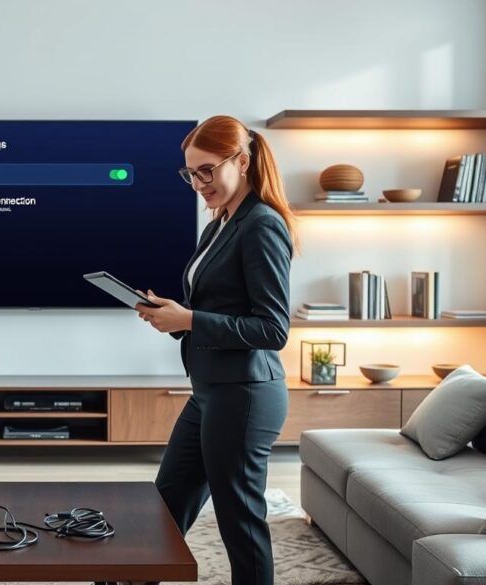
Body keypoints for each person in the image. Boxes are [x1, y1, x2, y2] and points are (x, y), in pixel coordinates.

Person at [135, 115, 296, 585]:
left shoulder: (262, 225)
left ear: (242, 162)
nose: (198, 183)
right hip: (210, 390)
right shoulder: (221, 223)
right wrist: (175, 317)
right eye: (190, 174)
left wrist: (189, 320)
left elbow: (272, 328)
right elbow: (219, 308)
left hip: (244, 395)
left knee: (240, 523)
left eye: (207, 171)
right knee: (164, 504)